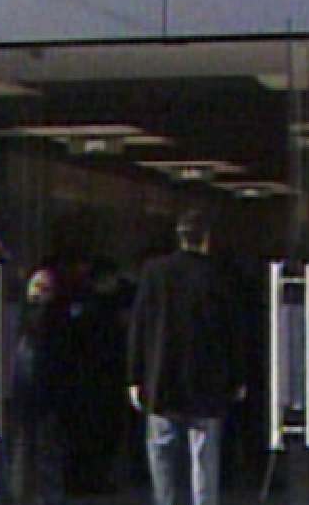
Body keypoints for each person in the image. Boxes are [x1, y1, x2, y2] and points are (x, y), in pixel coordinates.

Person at [127, 209, 247, 505]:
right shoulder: (219, 275)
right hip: (206, 379)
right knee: (204, 454)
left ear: (179, 237)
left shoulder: (154, 273)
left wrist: (134, 375)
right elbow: (233, 330)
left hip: (161, 374)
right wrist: (238, 375)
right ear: (205, 238)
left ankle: (164, 500)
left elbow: (139, 327)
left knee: (162, 450)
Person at [10, 266, 73, 505]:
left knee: (43, 450)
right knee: (30, 449)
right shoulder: (31, 319)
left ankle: (40, 496)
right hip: (33, 397)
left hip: (46, 396)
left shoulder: (54, 319)